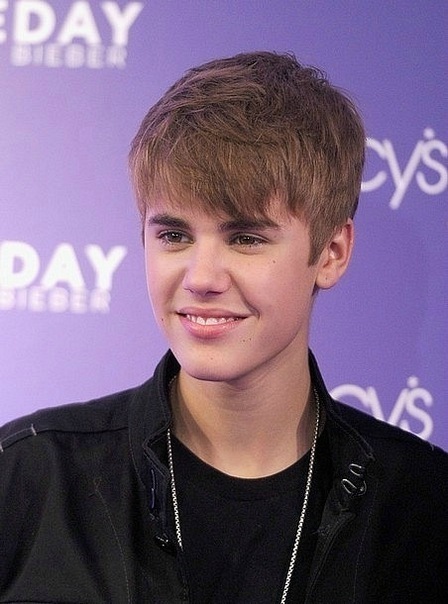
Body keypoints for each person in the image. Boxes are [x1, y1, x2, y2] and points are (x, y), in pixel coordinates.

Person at [1, 51, 447, 604]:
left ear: (332, 252)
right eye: (174, 236)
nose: (202, 278)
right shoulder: (31, 477)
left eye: (246, 239)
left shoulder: (423, 508)